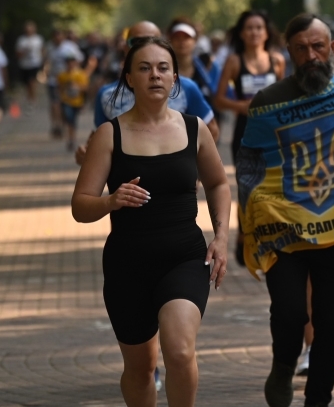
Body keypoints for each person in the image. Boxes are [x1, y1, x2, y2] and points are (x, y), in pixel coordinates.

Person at [72, 36, 230, 406]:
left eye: (162, 68)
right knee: (141, 368)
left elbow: (219, 183)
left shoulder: (195, 129)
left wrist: (221, 236)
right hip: (128, 264)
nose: (154, 76)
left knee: (179, 352)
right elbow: (81, 206)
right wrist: (111, 200)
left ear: (175, 77)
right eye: (144, 68)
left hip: (185, 258)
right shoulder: (109, 134)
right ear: (128, 78)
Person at [236, 14, 334, 407]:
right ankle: (283, 365)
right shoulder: (266, 103)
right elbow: (250, 166)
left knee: (331, 321)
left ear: (331, 48)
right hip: (282, 226)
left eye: (318, 46)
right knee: (291, 313)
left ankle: (318, 399)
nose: (311, 55)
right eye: (301, 48)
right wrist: (244, 226)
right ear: (289, 51)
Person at [214, 10, 285, 264]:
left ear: (267, 33)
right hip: (245, 132)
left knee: (271, 186)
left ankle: (269, 238)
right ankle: (244, 241)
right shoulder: (234, 61)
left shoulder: (277, 61)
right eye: (249, 28)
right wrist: (240, 106)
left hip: (272, 133)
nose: (254, 32)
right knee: (247, 188)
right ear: (242, 33)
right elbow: (218, 99)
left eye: (259, 28)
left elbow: (283, 95)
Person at [92, 21, 219, 141]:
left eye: (153, 41)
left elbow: (211, 130)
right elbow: (100, 139)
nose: (146, 48)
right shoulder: (107, 95)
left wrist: (188, 160)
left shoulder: (187, 88)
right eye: (137, 42)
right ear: (125, 47)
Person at [45, 29, 84, 138]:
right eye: (55, 38)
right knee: (54, 102)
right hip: (54, 79)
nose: (57, 40)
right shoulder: (49, 47)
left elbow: (79, 59)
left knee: (65, 104)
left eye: (59, 37)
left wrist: (75, 73)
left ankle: (63, 123)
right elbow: (47, 61)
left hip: (68, 80)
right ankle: (56, 125)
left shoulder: (70, 47)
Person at [58, 52, 90, 152]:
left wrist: (77, 86)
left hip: (77, 102)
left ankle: (72, 137)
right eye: (68, 63)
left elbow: (85, 89)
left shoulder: (80, 74)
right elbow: (59, 88)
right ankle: (71, 139)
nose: (70, 65)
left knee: (73, 121)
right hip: (66, 100)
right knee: (70, 119)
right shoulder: (62, 75)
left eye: (72, 62)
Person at [15, 21, 44, 106]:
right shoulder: (21, 40)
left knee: (32, 81)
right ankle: (29, 96)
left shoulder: (38, 39)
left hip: (35, 63)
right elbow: (18, 53)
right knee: (26, 83)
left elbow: (42, 50)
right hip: (24, 64)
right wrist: (24, 51)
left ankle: (33, 99)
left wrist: (42, 61)